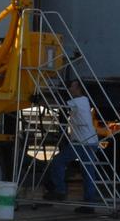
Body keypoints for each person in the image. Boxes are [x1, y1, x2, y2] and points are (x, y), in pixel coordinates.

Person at [44, 80, 102, 212]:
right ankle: (89, 203)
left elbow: (60, 105)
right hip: (88, 141)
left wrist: (42, 100)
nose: (69, 89)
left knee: (58, 162)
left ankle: (60, 190)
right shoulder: (84, 101)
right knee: (88, 173)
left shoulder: (79, 101)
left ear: (78, 88)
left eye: (72, 86)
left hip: (83, 142)